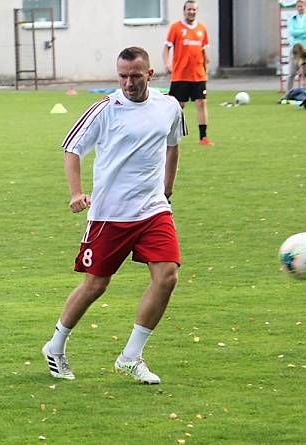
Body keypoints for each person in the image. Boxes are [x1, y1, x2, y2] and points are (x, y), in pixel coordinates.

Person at [42, 47, 185, 385]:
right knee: (95, 285)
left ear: (150, 74)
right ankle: (55, 345)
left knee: (167, 276)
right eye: (122, 76)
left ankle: (131, 357)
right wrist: (76, 193)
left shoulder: (169, 107)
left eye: (135, 76)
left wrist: (167, 189)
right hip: (110, 213)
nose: (128, 82)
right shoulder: (105, 109)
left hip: (153, 210)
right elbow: (71, 147)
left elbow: (173, 144)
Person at [163, 0, 211, 146]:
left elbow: (203, 51)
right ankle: (167, 135)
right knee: (178, 106)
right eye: (189, 9)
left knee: (201, 103)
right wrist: (167, 63)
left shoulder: (202, 29)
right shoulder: (176, 28)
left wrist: (205, 69)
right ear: (184, 10)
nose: (191, 11)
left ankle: (203, 137)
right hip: (181, 75)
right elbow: (166, 48)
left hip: (198, 75)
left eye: (194, 9)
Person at [286, 0, 306, 93]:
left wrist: (299, 34)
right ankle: (288, 93)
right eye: (298, 6)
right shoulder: (293, 19)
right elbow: (292, 32)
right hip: (295, 49)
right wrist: (305, 31)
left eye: (302, 6)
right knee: (291, 73)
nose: (300, 8)